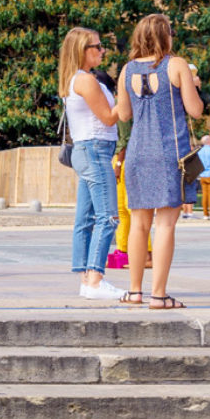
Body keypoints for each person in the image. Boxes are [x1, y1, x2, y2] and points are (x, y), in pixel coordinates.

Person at [115, 13, 204, 309]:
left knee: (139, 223)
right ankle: (159, 294)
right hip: (170, 152)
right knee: (165, 225)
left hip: (138, 152)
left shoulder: (126, 70)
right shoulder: (176, 65)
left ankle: (135, 291)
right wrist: (195, 86)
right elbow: (195, 111)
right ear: (165, 35)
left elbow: (124, 115)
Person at [58, 26, 123, 300]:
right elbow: (109, 118)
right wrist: (128, 94)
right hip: (95, 149)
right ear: (80, 51)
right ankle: (95, 279)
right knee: (108, 217)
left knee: (85, 219)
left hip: (89, 150)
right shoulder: (85, 80)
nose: (102, 50)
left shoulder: (78, 79)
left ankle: (86, 279)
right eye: (96, 46)